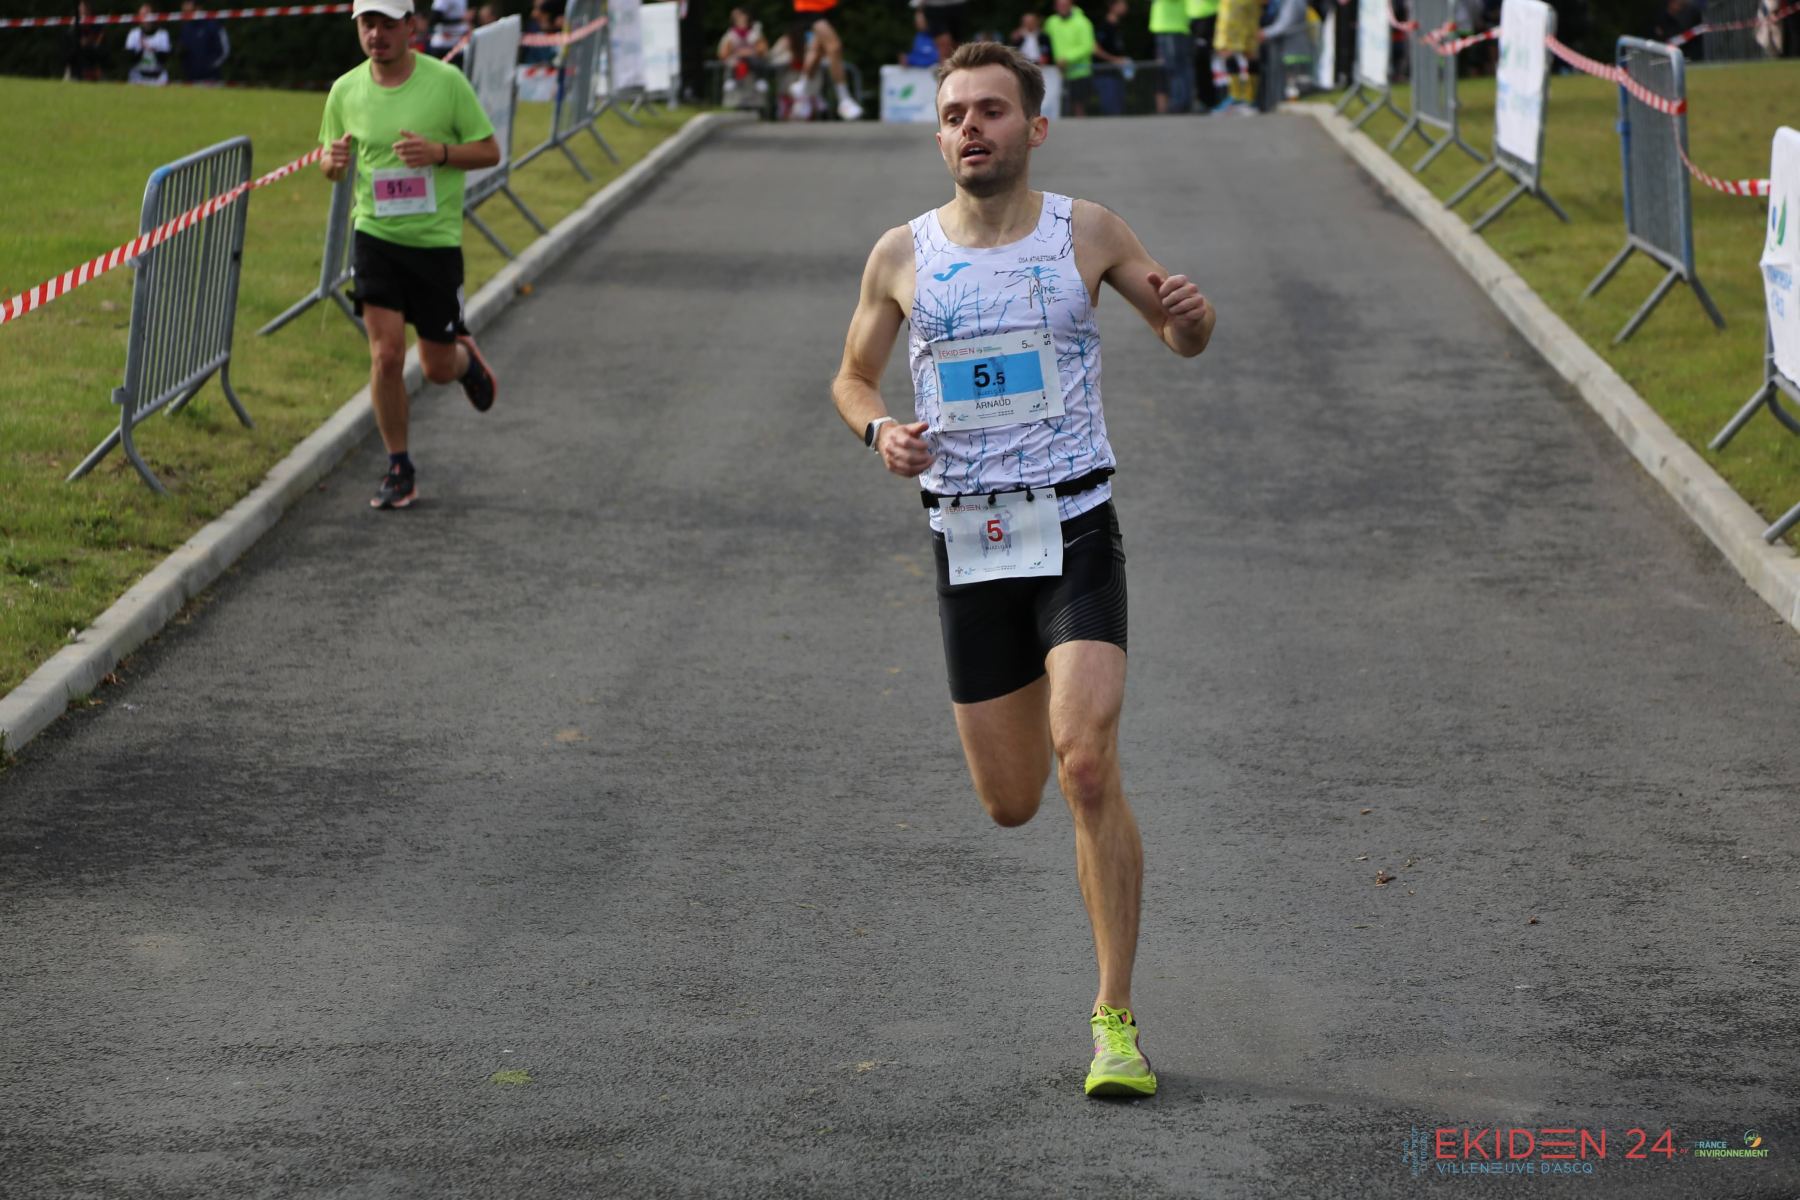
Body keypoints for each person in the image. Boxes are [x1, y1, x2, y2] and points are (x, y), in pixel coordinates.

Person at [829, 42, 1214, 1100]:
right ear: (939, 133)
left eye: (992, 110)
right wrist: (880, 433)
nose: (972, 127)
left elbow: (1182, 332)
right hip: (970, 541)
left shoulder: (1085, 232)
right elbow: (852, 377)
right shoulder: (901, 255)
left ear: (1033, 128)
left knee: (1084, 763)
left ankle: (1115, 1019)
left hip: (1073, 526)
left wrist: (1190, 318)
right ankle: (1064, 768)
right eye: (956, 113)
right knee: (1011, 801)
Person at [319, 0, 502, 510]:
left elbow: (489, 151)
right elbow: (331, 162)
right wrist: (332, 163)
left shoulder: (445, 83)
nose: (376, 35)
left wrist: (438, 153)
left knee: (436, 367)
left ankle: (463, 361)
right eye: (367, 24)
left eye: (387, 24)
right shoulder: (345, 90)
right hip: (375, 235)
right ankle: (399, 467)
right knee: (386, 356)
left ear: (411, 26)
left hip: (434, 242)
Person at [790, 0, 865, 120]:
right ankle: (844, 99)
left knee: (817, 51)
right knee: (834, 47)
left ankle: (802, 85)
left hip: (826, 8)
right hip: (810, 7)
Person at [1044, 0, 1097, 115]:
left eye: (1065, 5)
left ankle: (1081, 126)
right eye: (1059, 5)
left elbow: (1087, 47)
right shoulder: (1051, 22)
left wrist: (1066, 59)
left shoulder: (1083, 22)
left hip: (1079, 72)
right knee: (1056, 106)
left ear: (1071, 5)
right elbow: (1044, 41)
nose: (1062, 7)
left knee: (1078, 106)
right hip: (1057, 73)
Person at [718, 7, 769, 107]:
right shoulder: (730, 35)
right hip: (736, 66)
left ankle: (760, 80)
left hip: (752, 70)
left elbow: (763, 50)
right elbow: (723, 54)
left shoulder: (755, 34)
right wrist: (738, 53)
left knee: (755, 63)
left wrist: (750, 52)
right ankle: (731, 80)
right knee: (734, 65)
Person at [1148, 0, 1192, 111]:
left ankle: (1180, 102)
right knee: (1172, 68)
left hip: (1173, 27)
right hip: (1166, 27)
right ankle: (1178, 101)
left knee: (1176, 68)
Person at [1092, 0, 1131, 114]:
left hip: (1117, 73)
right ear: (1113, 6)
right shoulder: (1105, 26)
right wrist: (1115, 60)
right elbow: (1096, 50)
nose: (1125, 6)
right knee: (1111, 108)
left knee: (1119, 107)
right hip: (1105, 73)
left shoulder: (1118, 25)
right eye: (1122, 4)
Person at [177, 0, 229, 84]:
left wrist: (210, 66)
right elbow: (182, 51)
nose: (184, 8)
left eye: (188, 4)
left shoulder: (213, 24)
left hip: (211, 78)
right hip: (191, 79)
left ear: (198, 7)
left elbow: (224, 50)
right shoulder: (186, 27)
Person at [124, 5, 172, 85]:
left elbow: (164, 60)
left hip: (158, 78)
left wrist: (151, 49)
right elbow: (129, 59)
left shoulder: (162, 34)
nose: (146, 19)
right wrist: (142, 49)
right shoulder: (133, 34)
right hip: (138, 77)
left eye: (148, 15)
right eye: (143, 15)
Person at [64, 1, 109, 81]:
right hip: (76, 55)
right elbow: (70, 40)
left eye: (85, 8)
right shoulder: (74, 24)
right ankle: (69, 76)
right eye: (81, 8)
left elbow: (100, 40)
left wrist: (91, 42)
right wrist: (79, 42)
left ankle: (98, 77)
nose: (83, 10)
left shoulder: (96, 23)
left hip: (92, 53)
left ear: (89, 10)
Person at [1188, 0, 1220, 110]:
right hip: (1192, 18)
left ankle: (1214, 99)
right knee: (1198, 61)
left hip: (1209, 15)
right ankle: (1204, 100)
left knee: (1208, 59)